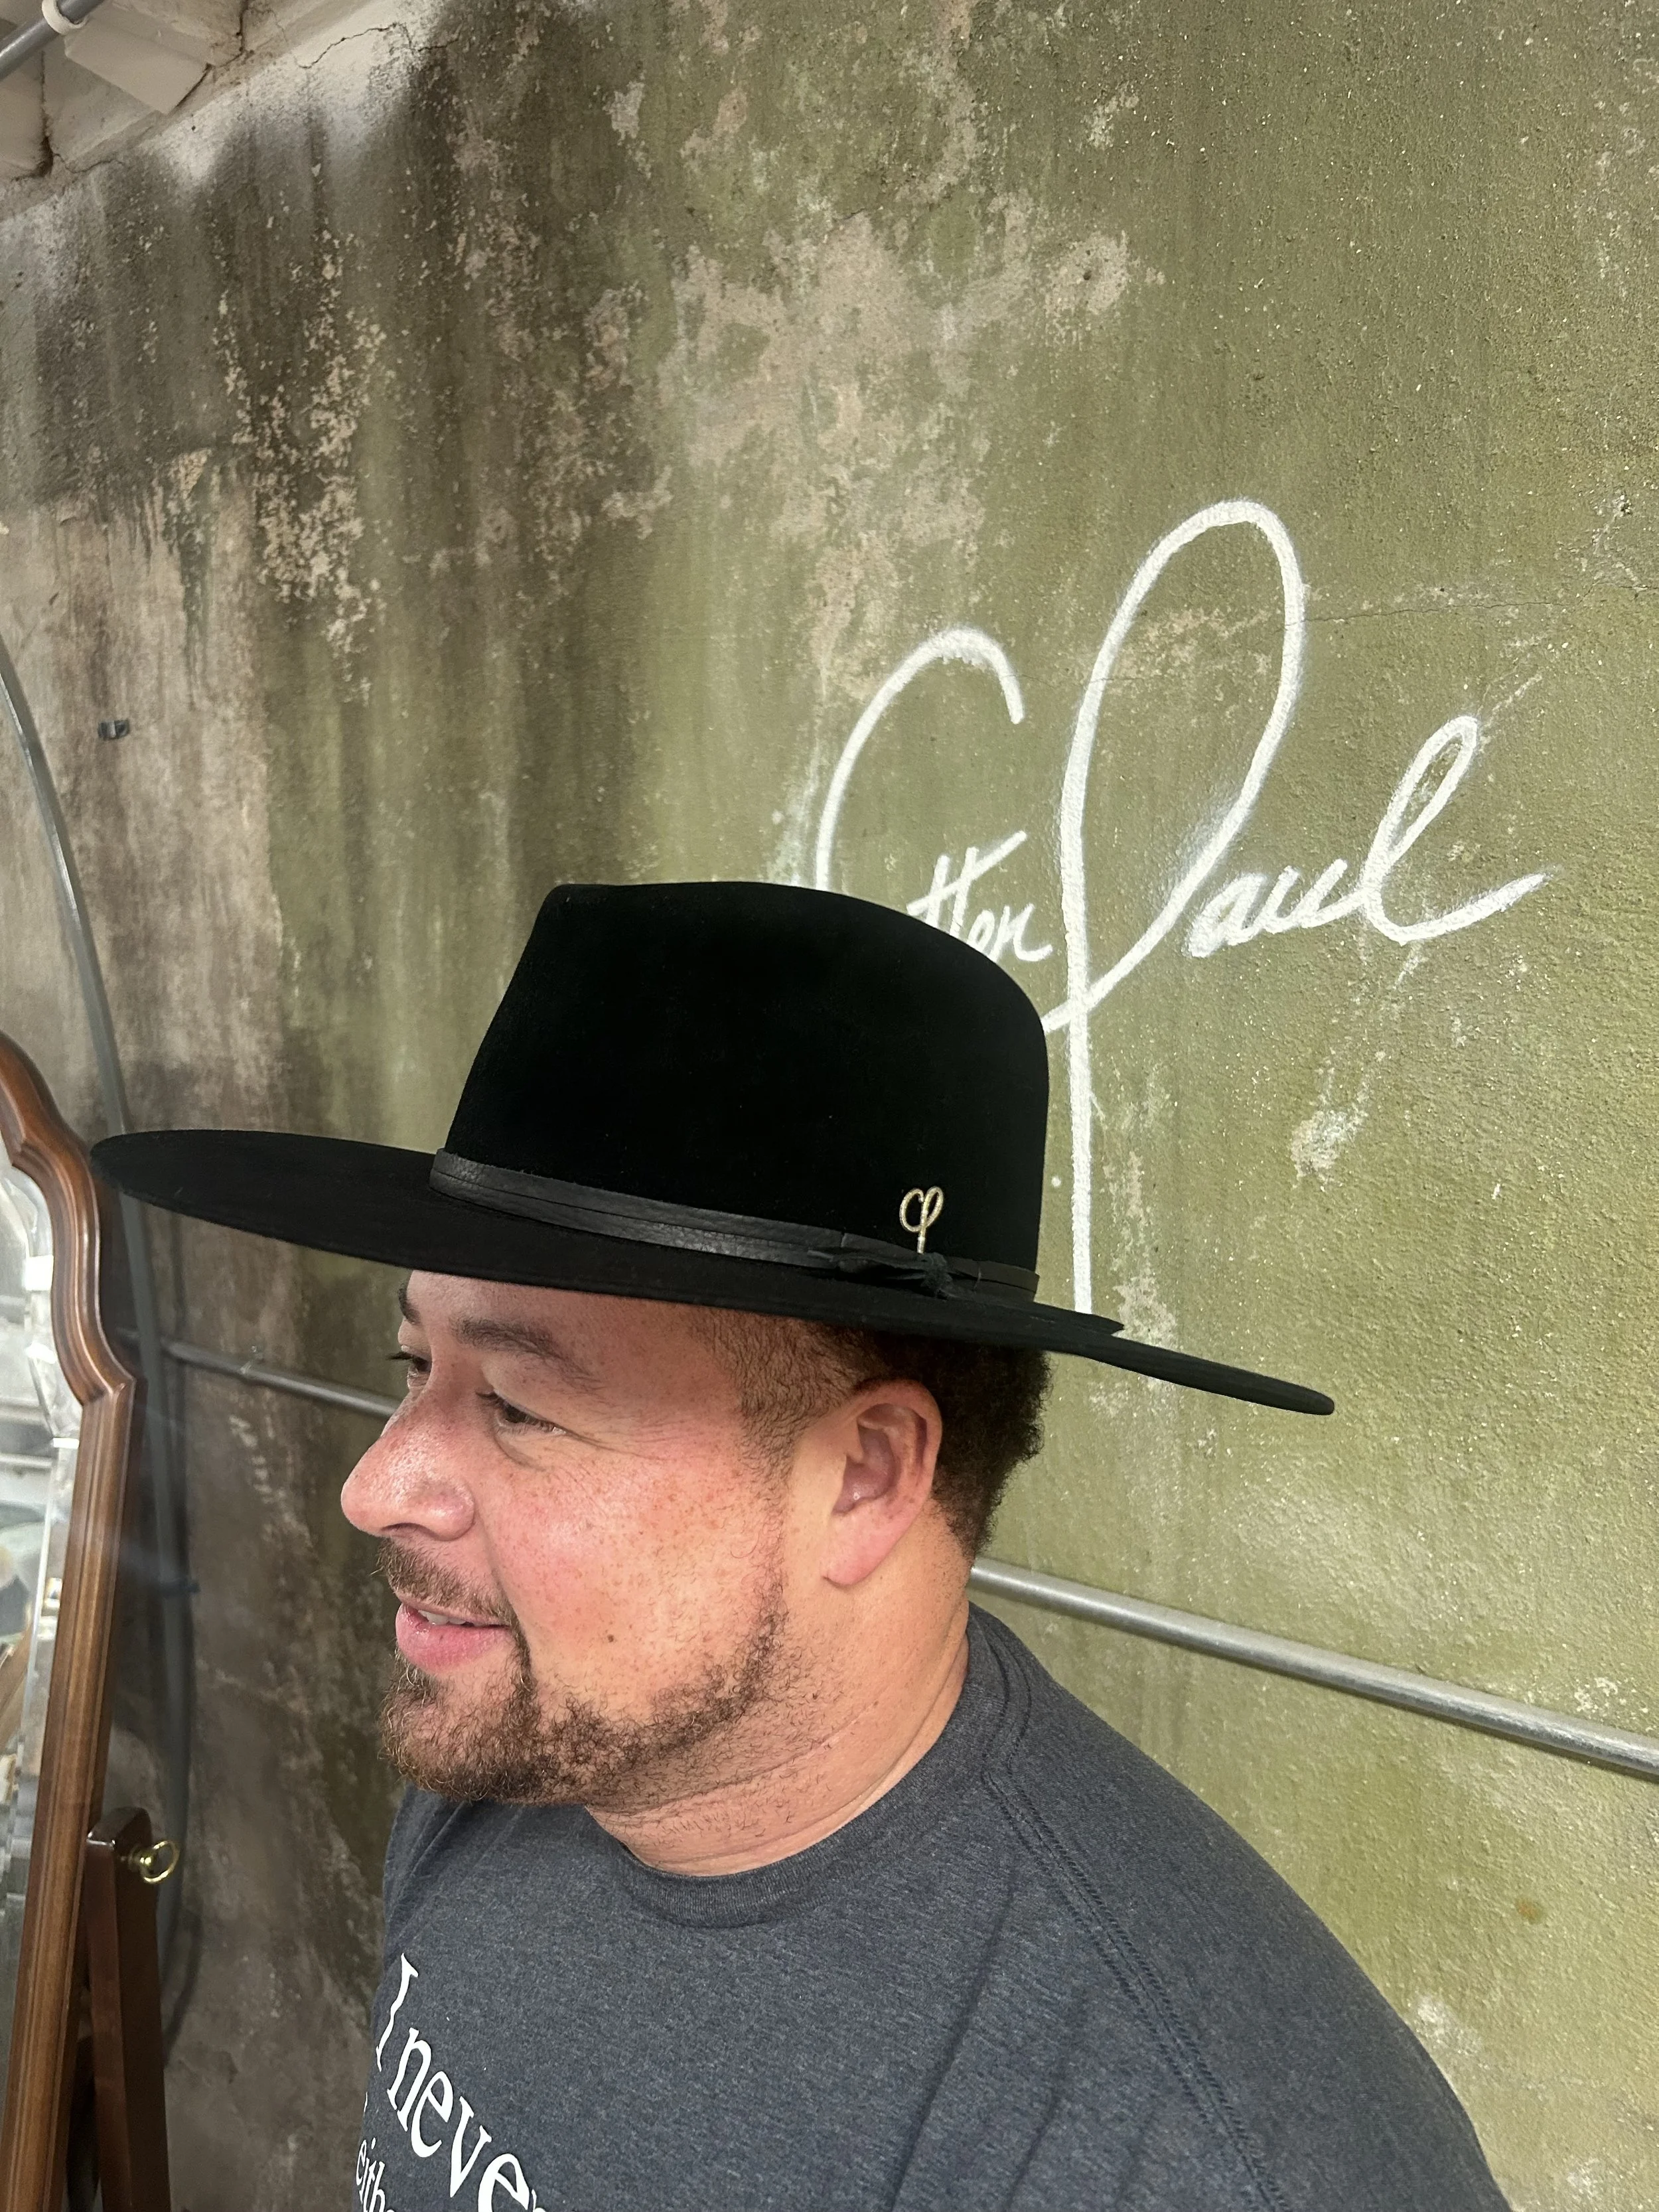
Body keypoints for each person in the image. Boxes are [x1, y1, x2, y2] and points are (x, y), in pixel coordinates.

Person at [96, 881, 1508, 2212]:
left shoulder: (1183, 2149)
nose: (378, 1485)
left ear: (864, 1476)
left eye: (519, 1404)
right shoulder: (518, 1739)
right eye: (414, 1366)